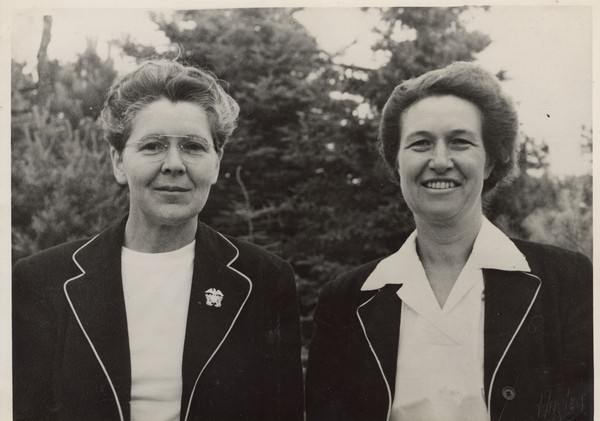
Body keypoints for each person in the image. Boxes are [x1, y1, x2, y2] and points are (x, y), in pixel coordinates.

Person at [13, 59, 304, 421]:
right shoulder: (42, 280)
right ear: (119, 162)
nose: (174, 164)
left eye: (194, 147)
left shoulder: (263, 279)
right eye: (152, 146)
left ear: (216, 163)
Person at [305, 62, 593, 421]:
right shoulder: (345, 300)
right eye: (420, 143)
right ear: (397, 163)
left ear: (490, 161)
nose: (439, 161)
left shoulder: (568, 281)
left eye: (460, 142)